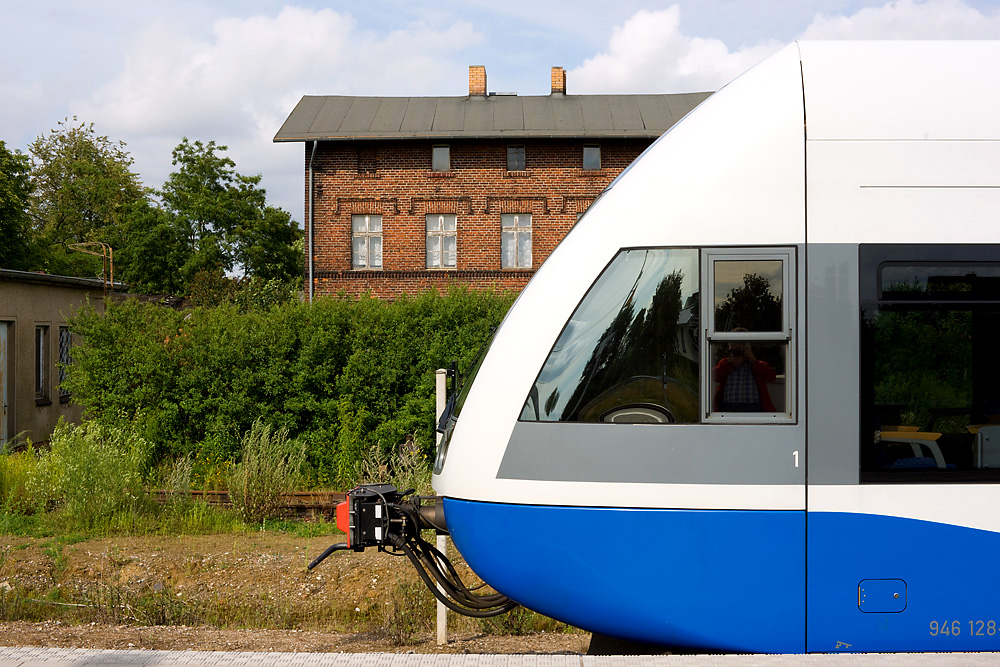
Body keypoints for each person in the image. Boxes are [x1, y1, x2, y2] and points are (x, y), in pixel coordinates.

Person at [712, 337, 777, 412]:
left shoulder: (756, 364)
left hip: (752, 407)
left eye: (740, 351)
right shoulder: (726, 363)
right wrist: (730, 364)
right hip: (729, 406)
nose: (737, 354)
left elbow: (771, 376)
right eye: (734, 351)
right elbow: (713, 375)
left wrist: (754, 361)